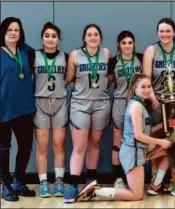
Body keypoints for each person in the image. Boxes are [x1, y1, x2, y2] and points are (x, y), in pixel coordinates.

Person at [74, 73, 171, 202]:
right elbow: (139, 135)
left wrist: (164, 125)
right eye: (143, 87)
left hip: (138, 150)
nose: (147, 90)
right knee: (136, 195)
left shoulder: (139, 103)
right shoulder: (137, 107)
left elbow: (146, 130)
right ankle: (96, 191)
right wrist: (160, 141)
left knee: (169, 150)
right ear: (135, 89)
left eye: (149, 86)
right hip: (132, 152)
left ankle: (156, 184)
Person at [143, 17, 175, 195]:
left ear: (174, 32)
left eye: (168, 31)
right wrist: (151, 97)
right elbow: (146, 79)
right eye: (161, 31)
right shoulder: (151, 50)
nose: (164, 34)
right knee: (159, 141)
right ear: (158, 32)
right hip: (157, 103)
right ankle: (155, 179)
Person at [63, 24, 111, 203]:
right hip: (80, 104)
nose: (93, 37)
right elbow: (68, 78)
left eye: (96, 34)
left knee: (95, 143)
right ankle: (73, 185)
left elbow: (110, 78)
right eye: (89, 35)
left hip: (101, 103)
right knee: (79, 146)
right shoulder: (76, 55)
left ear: (100, 37)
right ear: (84, 37)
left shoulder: (106, 53)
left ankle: (91, 182)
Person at [0, 17, 36, 202]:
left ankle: (19, 181)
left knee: (25, 147)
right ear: (3, 32)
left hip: (25, 108)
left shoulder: (26, 51)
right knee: (4, 149)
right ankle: (5, 185)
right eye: (9, 30)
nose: (13, 33)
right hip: (3, 109)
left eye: (17, 30)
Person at [33, 22, 68, 198]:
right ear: (42, 38)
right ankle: (44, 182)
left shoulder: (65, 57)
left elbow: (68, 79)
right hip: (40, 103)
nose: (50, 39)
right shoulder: (34, 56)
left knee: (59, 145)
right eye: (47, 35)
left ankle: (59, 181)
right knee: (43, 146)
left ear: (58, 39)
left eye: (54, 36)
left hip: (60, 103)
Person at [108, 30, 144, 188]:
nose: (127, 46)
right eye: (124, 43)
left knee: (136, 140)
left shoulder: (141, 58)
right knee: (118, 142)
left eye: (130, 42)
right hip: (120, 102)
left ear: (134, 43)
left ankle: (134, 176)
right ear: (119, 45)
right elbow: (108, 82)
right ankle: (118, 178)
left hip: (137, 103)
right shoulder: (113, 61)